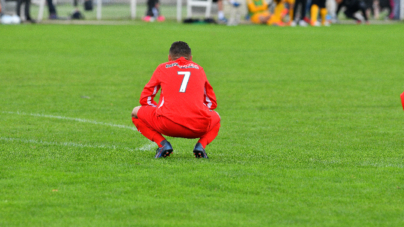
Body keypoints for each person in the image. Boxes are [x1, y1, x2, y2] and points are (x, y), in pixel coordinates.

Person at [131, 41, 221, 159]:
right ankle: (200, 146)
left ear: (169, 58)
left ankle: (162, 144)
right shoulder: (199, 69)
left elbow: (145, 98)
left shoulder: (162, 67)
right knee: (217, 117)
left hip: (166, 124)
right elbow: (211, 103)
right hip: (197, 126)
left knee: (135, 112)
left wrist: (160, 110)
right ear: (191, 58)